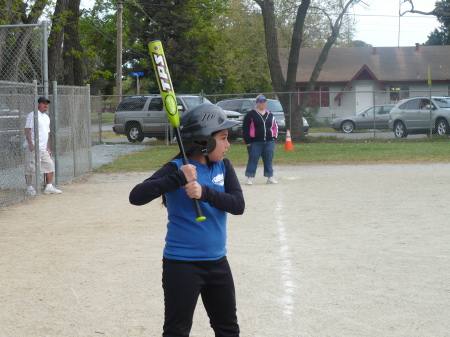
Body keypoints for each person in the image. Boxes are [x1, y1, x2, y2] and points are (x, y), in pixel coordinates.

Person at [129, 104, 245, 337]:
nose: (228, 144)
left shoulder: (224, 166)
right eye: (223, 138)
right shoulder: (176, 168)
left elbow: (237, 205)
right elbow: (137, 196)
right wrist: (177, 178)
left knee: (228, 329)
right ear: (204, 141)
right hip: (181, 265)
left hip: (217, 262)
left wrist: (205, 193)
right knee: (177, 331)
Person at [23, 97, 62, 195]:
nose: (45, 105)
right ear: (38, 104)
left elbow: (46, 133)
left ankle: (49, 187)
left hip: (43, 148)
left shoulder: (46, 117)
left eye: (47, 104)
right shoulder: (32, 115)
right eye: (43, 103)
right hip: (33, 148)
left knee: (49, 166)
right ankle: (29, 187)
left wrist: (47, 147)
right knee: (30, 168)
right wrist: (31, 144)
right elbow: (27, 129)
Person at [242, 94, 278, 185]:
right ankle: (250, 177)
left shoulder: (270, 114)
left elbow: (274, 126)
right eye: (260, 102)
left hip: (269, 141)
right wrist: (248, 141)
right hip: (255, 142)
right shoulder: (251, 114)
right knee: (253, 159)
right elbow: (245, 128)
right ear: (257, 103)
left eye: (264, 102)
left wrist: (274, 137)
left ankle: (270, 177)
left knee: (268, 159)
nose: (262, 104)